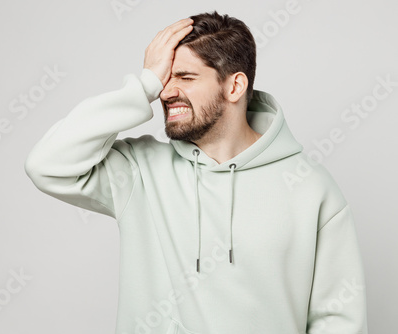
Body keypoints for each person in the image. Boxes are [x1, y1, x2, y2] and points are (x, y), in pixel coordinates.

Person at [24, 10, 368, 334]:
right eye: (163, 79)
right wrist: (142, 86)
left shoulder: (310, 187)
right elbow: (47, 165)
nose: (167, 91)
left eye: (185, 77)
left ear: (234, 87)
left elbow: (338, 318)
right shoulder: (139, 172)